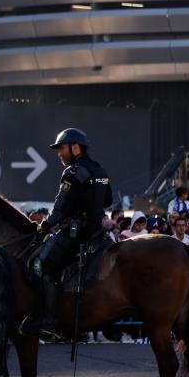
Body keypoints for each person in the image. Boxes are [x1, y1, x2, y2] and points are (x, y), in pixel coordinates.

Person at [20, 128, 112, 339]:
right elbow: (107, 201)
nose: (59, 153)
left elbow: (60, 208)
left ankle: (48, 321)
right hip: (97, 233)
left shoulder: (72, 172)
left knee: (39, 265)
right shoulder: (100, 171)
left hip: (76, 233)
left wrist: (44, 226)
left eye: (61, 148)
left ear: (75, 147)